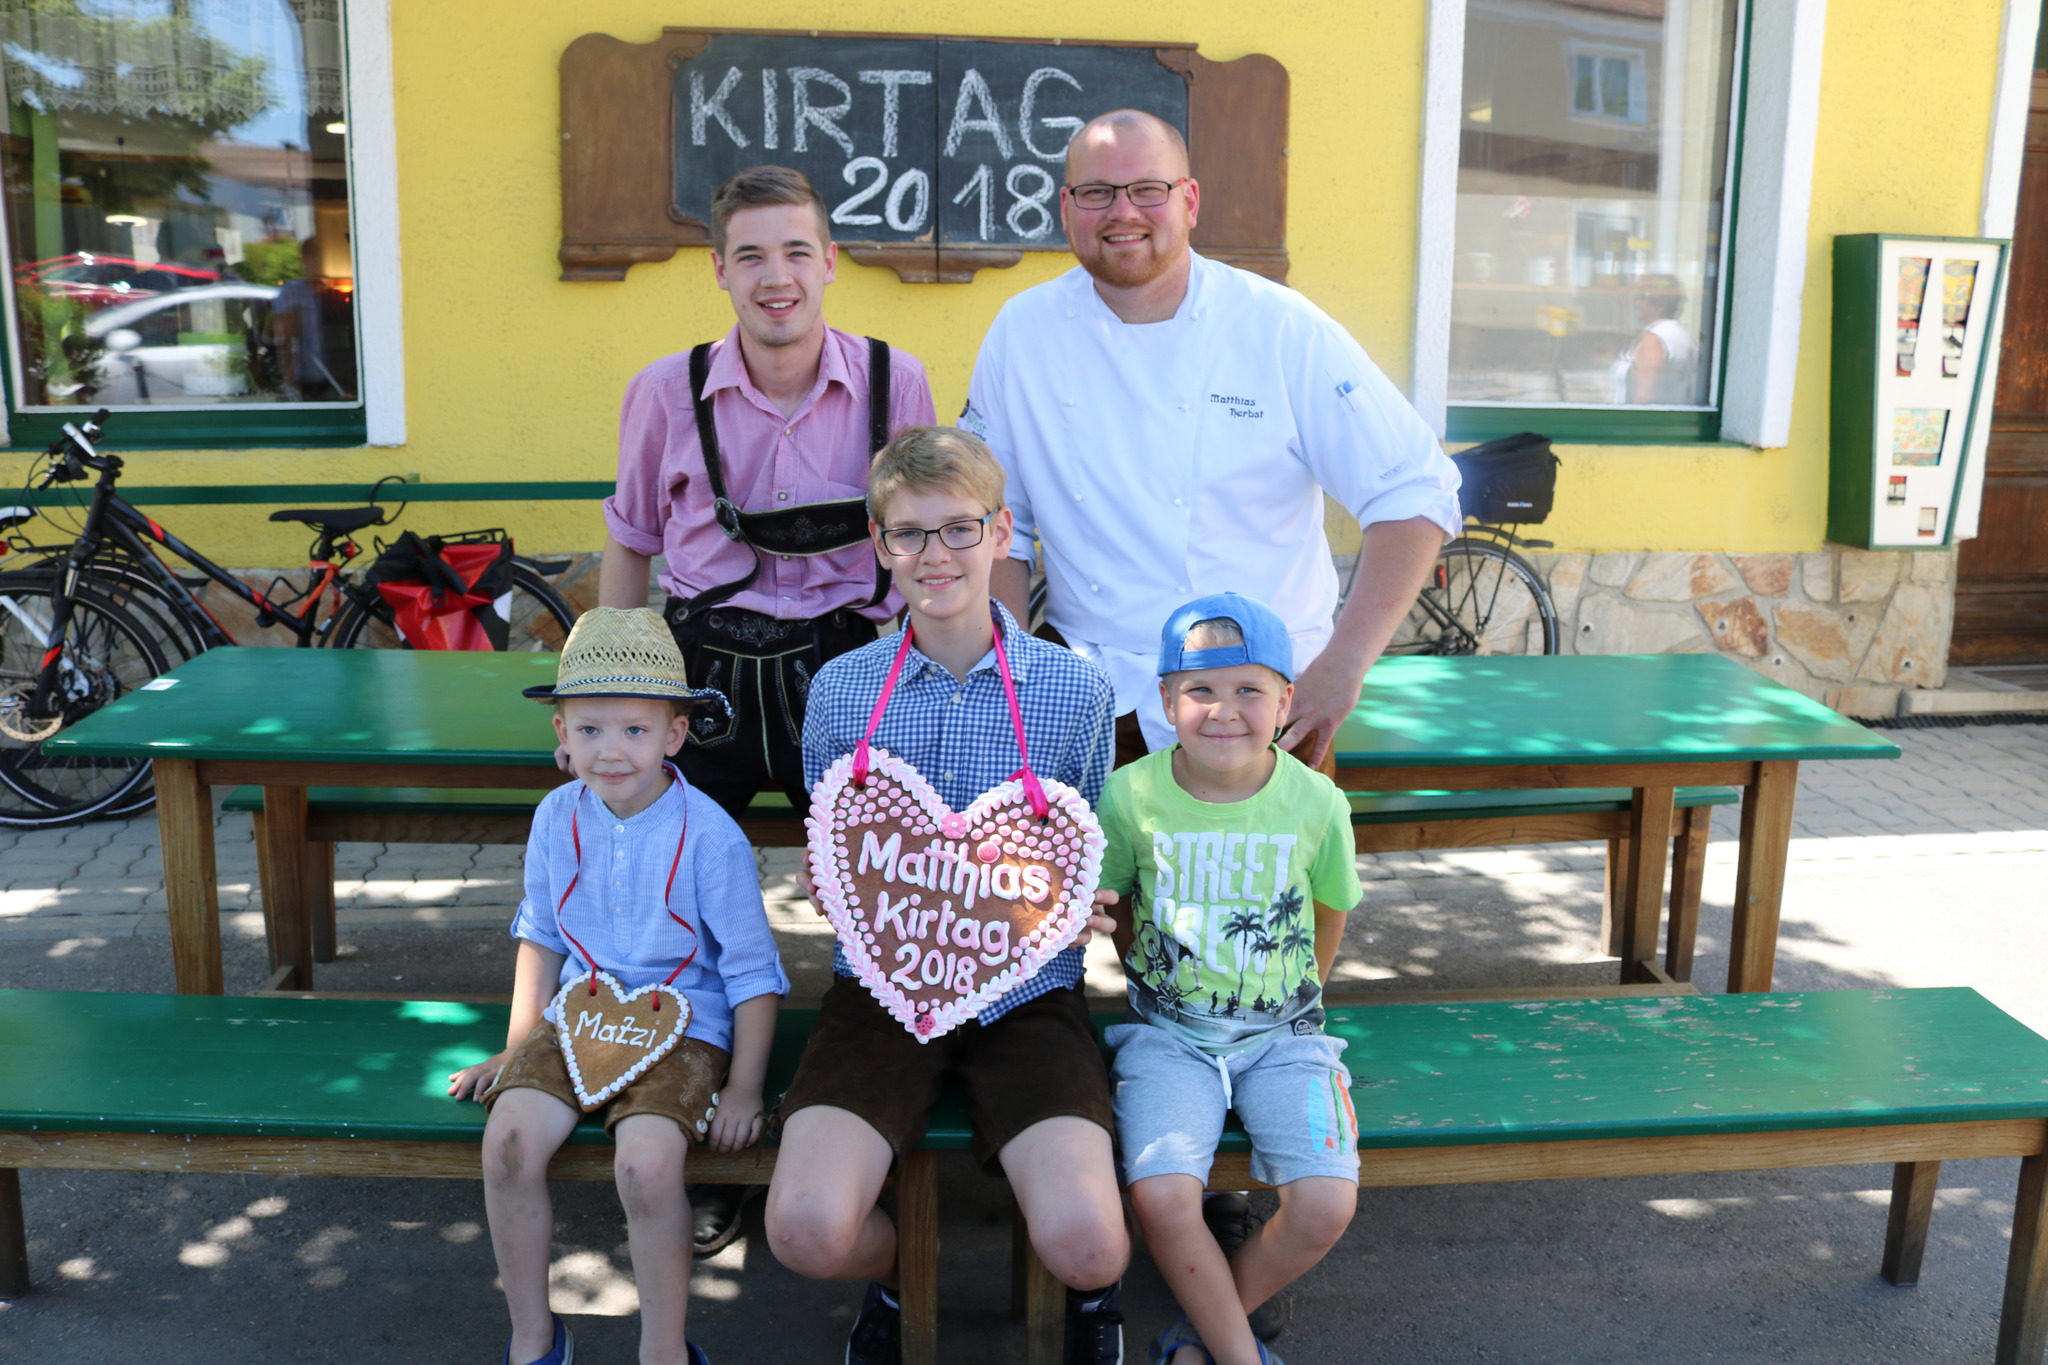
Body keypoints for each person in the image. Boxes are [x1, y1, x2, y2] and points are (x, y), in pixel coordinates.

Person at [600, 164, 935, 1251]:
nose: (776, 276)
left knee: (883, 892)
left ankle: (859, 1123)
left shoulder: (899, 382)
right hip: (705, 671)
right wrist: (614, 690)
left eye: (797, 251)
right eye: (751, 254)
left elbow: (936, 539)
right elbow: (632, 543)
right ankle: (692, 1124)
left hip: (853, 669)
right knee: (675, 895)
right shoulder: (663, 388)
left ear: (831, 262)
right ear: (718, 271)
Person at [765, 427, 1130, 1365]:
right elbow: (833, 828)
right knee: (803, 1229)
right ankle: (899, 1272)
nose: (936, 555)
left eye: (959, 529)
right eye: (909, 534)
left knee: (1091, 1243)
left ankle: (1093, 1299)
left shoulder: (1075, 691)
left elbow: (1081, 839)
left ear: (1002, 532)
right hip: (882, 989)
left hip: (1026, 991)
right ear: (880, 547)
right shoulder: (841, 691)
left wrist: (1081, 896)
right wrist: (837, 877)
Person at [963, 110, 1461, 769]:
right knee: (1091, 878)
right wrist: (1008, 667)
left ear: (1189, 200)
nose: (1123, 212)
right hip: (1092, 700)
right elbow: (999, 527)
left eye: (1148, 189)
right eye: (1097, 192)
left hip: (1262, 706)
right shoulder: (1022, 333)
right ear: (1066, 206)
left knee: (1269, 878)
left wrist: (1344, 664)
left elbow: (1413, 488)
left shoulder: (1278, 327)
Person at [447, 607, 788, 1365]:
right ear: (561, 736)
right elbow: (539, 933)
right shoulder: (553, 817)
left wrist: (745, 1088)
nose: (611, 750)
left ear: (674, 734)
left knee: (645, 1161)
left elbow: (753, 971)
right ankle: (535, 1336)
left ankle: (663, 1348)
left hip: (687, 1023)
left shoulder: (710, 835)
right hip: (577, 1016)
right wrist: (512, 1050)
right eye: (591, 729)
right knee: (505, 1141)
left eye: (634, 730)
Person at [1099, 593, 1364, 1365]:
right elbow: (1114, 904)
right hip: (1167, 1040)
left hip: (1287, 1041)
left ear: (1286, 700)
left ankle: (1197, 1336)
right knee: (1163, 1195)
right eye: (1200, 690)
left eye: (1250, 689)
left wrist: (1296, 998)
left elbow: (1330, 909)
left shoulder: (1317, 801)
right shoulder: (1131, 794)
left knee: (1324, 1203)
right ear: (1164, 701)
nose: (1224, 710)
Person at [1609, 275, 1697, 405]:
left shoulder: (1653, 339)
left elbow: (1645, 398)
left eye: (1640, 298)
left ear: (1660, 305)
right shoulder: (1683, 336)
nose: (1634, 303)